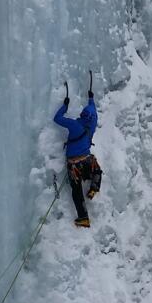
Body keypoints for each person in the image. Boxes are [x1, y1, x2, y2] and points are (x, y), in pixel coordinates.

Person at [53, 89, 102, 228]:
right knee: (97, 170)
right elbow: (93, 109)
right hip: (87, 160)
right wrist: (91, 98)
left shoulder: (75, 125)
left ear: (82, 115)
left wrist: (65, 106)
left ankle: (84, 217)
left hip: (74, 163)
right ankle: (94, 187)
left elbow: (57, 118)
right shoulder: (92, 125)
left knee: (76, 190)